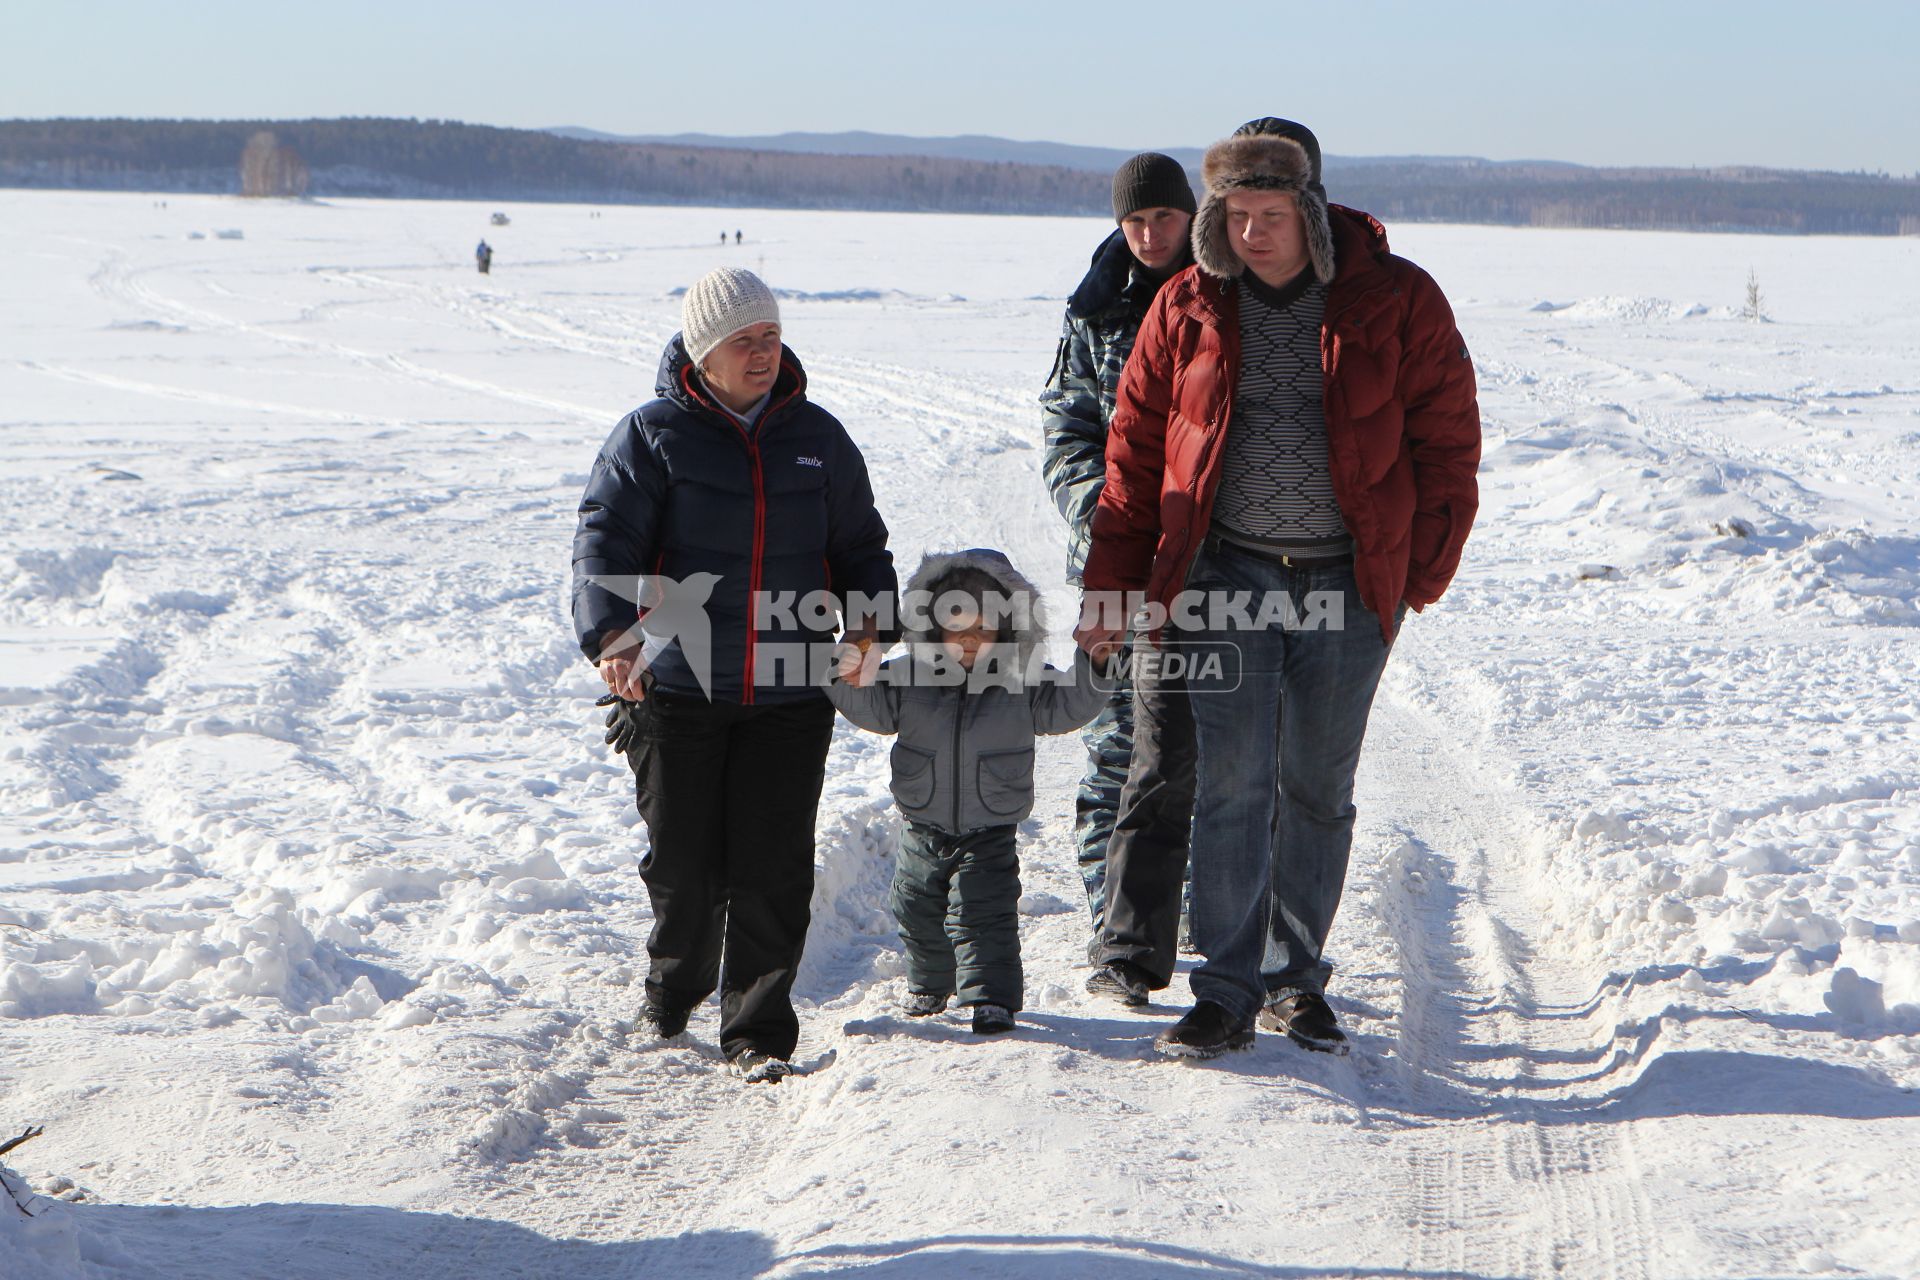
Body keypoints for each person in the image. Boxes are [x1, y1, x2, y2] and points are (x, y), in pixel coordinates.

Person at [1077, 118, 1481, 1059]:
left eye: (1270, 214)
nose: (1253, 232)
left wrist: (1415, 571)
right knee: (1230, 786)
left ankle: (1293, 980)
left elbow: (1449, 441)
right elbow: (1135, 461)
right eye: (1236, 214)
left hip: (1348, 587)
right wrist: (1114, 582)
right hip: (1227, 576)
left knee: (1314, 789)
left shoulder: (1398, 300)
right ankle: (1222, 988)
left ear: (1310, 211)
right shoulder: (1186, 305)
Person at [574, 267, 896, 1083]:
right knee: (684, 865)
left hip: (790, 689)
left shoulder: (819, 439)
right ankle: (675, 983)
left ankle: (758, 1028)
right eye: (743, 341)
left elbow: (861, 544)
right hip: (678, 687)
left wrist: (868, 623)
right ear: (702, 351)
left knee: (773, 865)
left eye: (771, 337)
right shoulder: (650, 437)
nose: (762, 353)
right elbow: (605, 544)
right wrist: (614, 637)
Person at [829, 550, 1106, 1034]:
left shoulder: (1022, 682)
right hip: (921, 822)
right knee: (915, 907)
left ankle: (990, 996)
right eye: (958, 626)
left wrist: (1096, 664)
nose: (971, 639)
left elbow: (1068, 706)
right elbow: (870, 708)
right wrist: (847, 671)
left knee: (984, 911)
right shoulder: (909, 676)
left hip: (989, 826)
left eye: (985, 626)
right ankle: (931, 981)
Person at [1039, 152, 1197, 962]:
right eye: (1133, 221)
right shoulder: (1094, 308)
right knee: (1116, 749)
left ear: (1190, 216)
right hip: (1114, 565)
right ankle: (1116, 926)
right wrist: (1105, 517)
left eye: (1162, 219)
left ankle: (1208, 926)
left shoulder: (1225, 297)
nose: (1147, 235)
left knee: (1212, 742)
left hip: (1210, 564)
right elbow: (1064, 431)